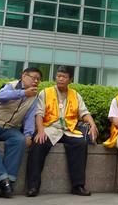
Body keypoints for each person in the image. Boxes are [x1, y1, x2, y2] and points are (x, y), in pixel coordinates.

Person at [25, 66, 98, 197]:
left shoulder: (75, 95)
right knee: (38, 143)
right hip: (50, 128)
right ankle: (33, 186)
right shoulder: (45, 93)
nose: (60, 79)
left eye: (64, 77)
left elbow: (84, 113)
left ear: (70, 80)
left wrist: (92, 125)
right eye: (58, 76)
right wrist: (40, 131)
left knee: (81, 144)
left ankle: (78, 186)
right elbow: (39, 114)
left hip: (69, 129)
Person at [0, 67, 43, 197]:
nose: (35, 81)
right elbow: (2, 96)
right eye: (33, 78)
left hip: (10, 128)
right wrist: (23, 93)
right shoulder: (11, 86)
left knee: (19, 141)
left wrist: (28, 135)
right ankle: (3, 181)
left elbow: (29, 117)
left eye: (38, 79)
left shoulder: (35, 97)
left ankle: (7, 182)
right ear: (24, 76)